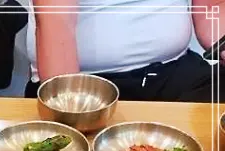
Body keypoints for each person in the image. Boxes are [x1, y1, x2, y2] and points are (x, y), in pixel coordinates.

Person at [25, 0, 225, 102]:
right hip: (84, 84)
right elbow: (55, 21)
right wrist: (69, 108)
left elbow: (211, 7)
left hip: (176, 71)